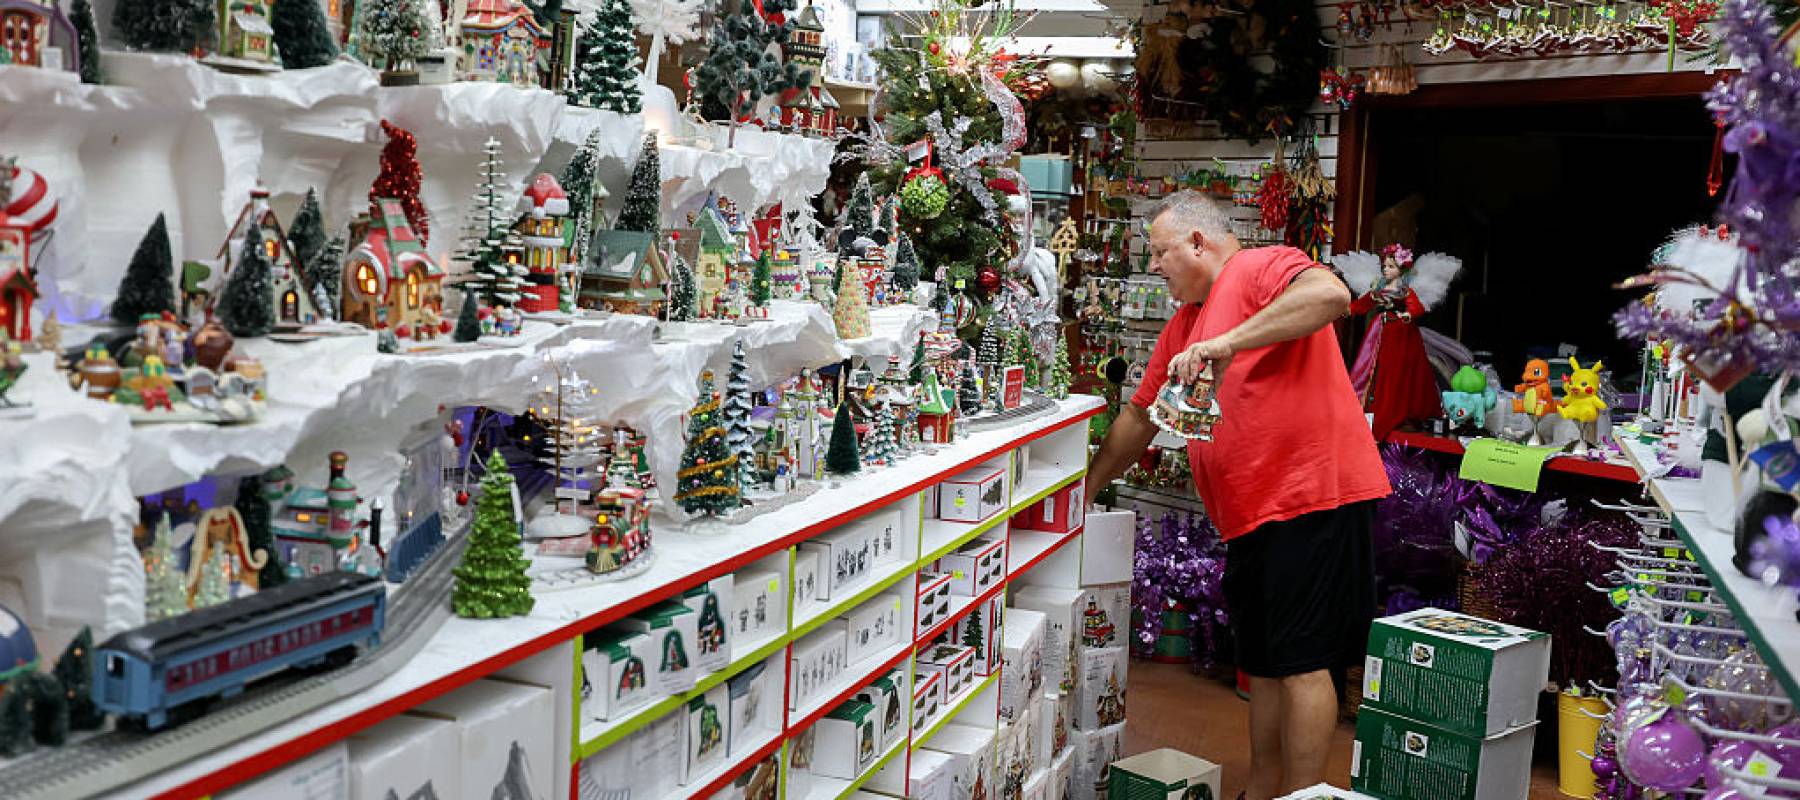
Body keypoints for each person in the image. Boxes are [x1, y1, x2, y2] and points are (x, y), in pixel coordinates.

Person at [1087, 191, 1390, 798]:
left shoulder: (1258, 267)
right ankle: (1262, 786)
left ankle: (1302, 793)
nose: (1154, 266)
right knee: (1267, 664)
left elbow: (1331, 296)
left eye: (1159, 252)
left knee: (1302, 663)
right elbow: (1140, 416)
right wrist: (1086, 488)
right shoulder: (1186, 323)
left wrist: (1228, 343)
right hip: (1252, 517)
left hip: (1310, 498)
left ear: (1198, 243)